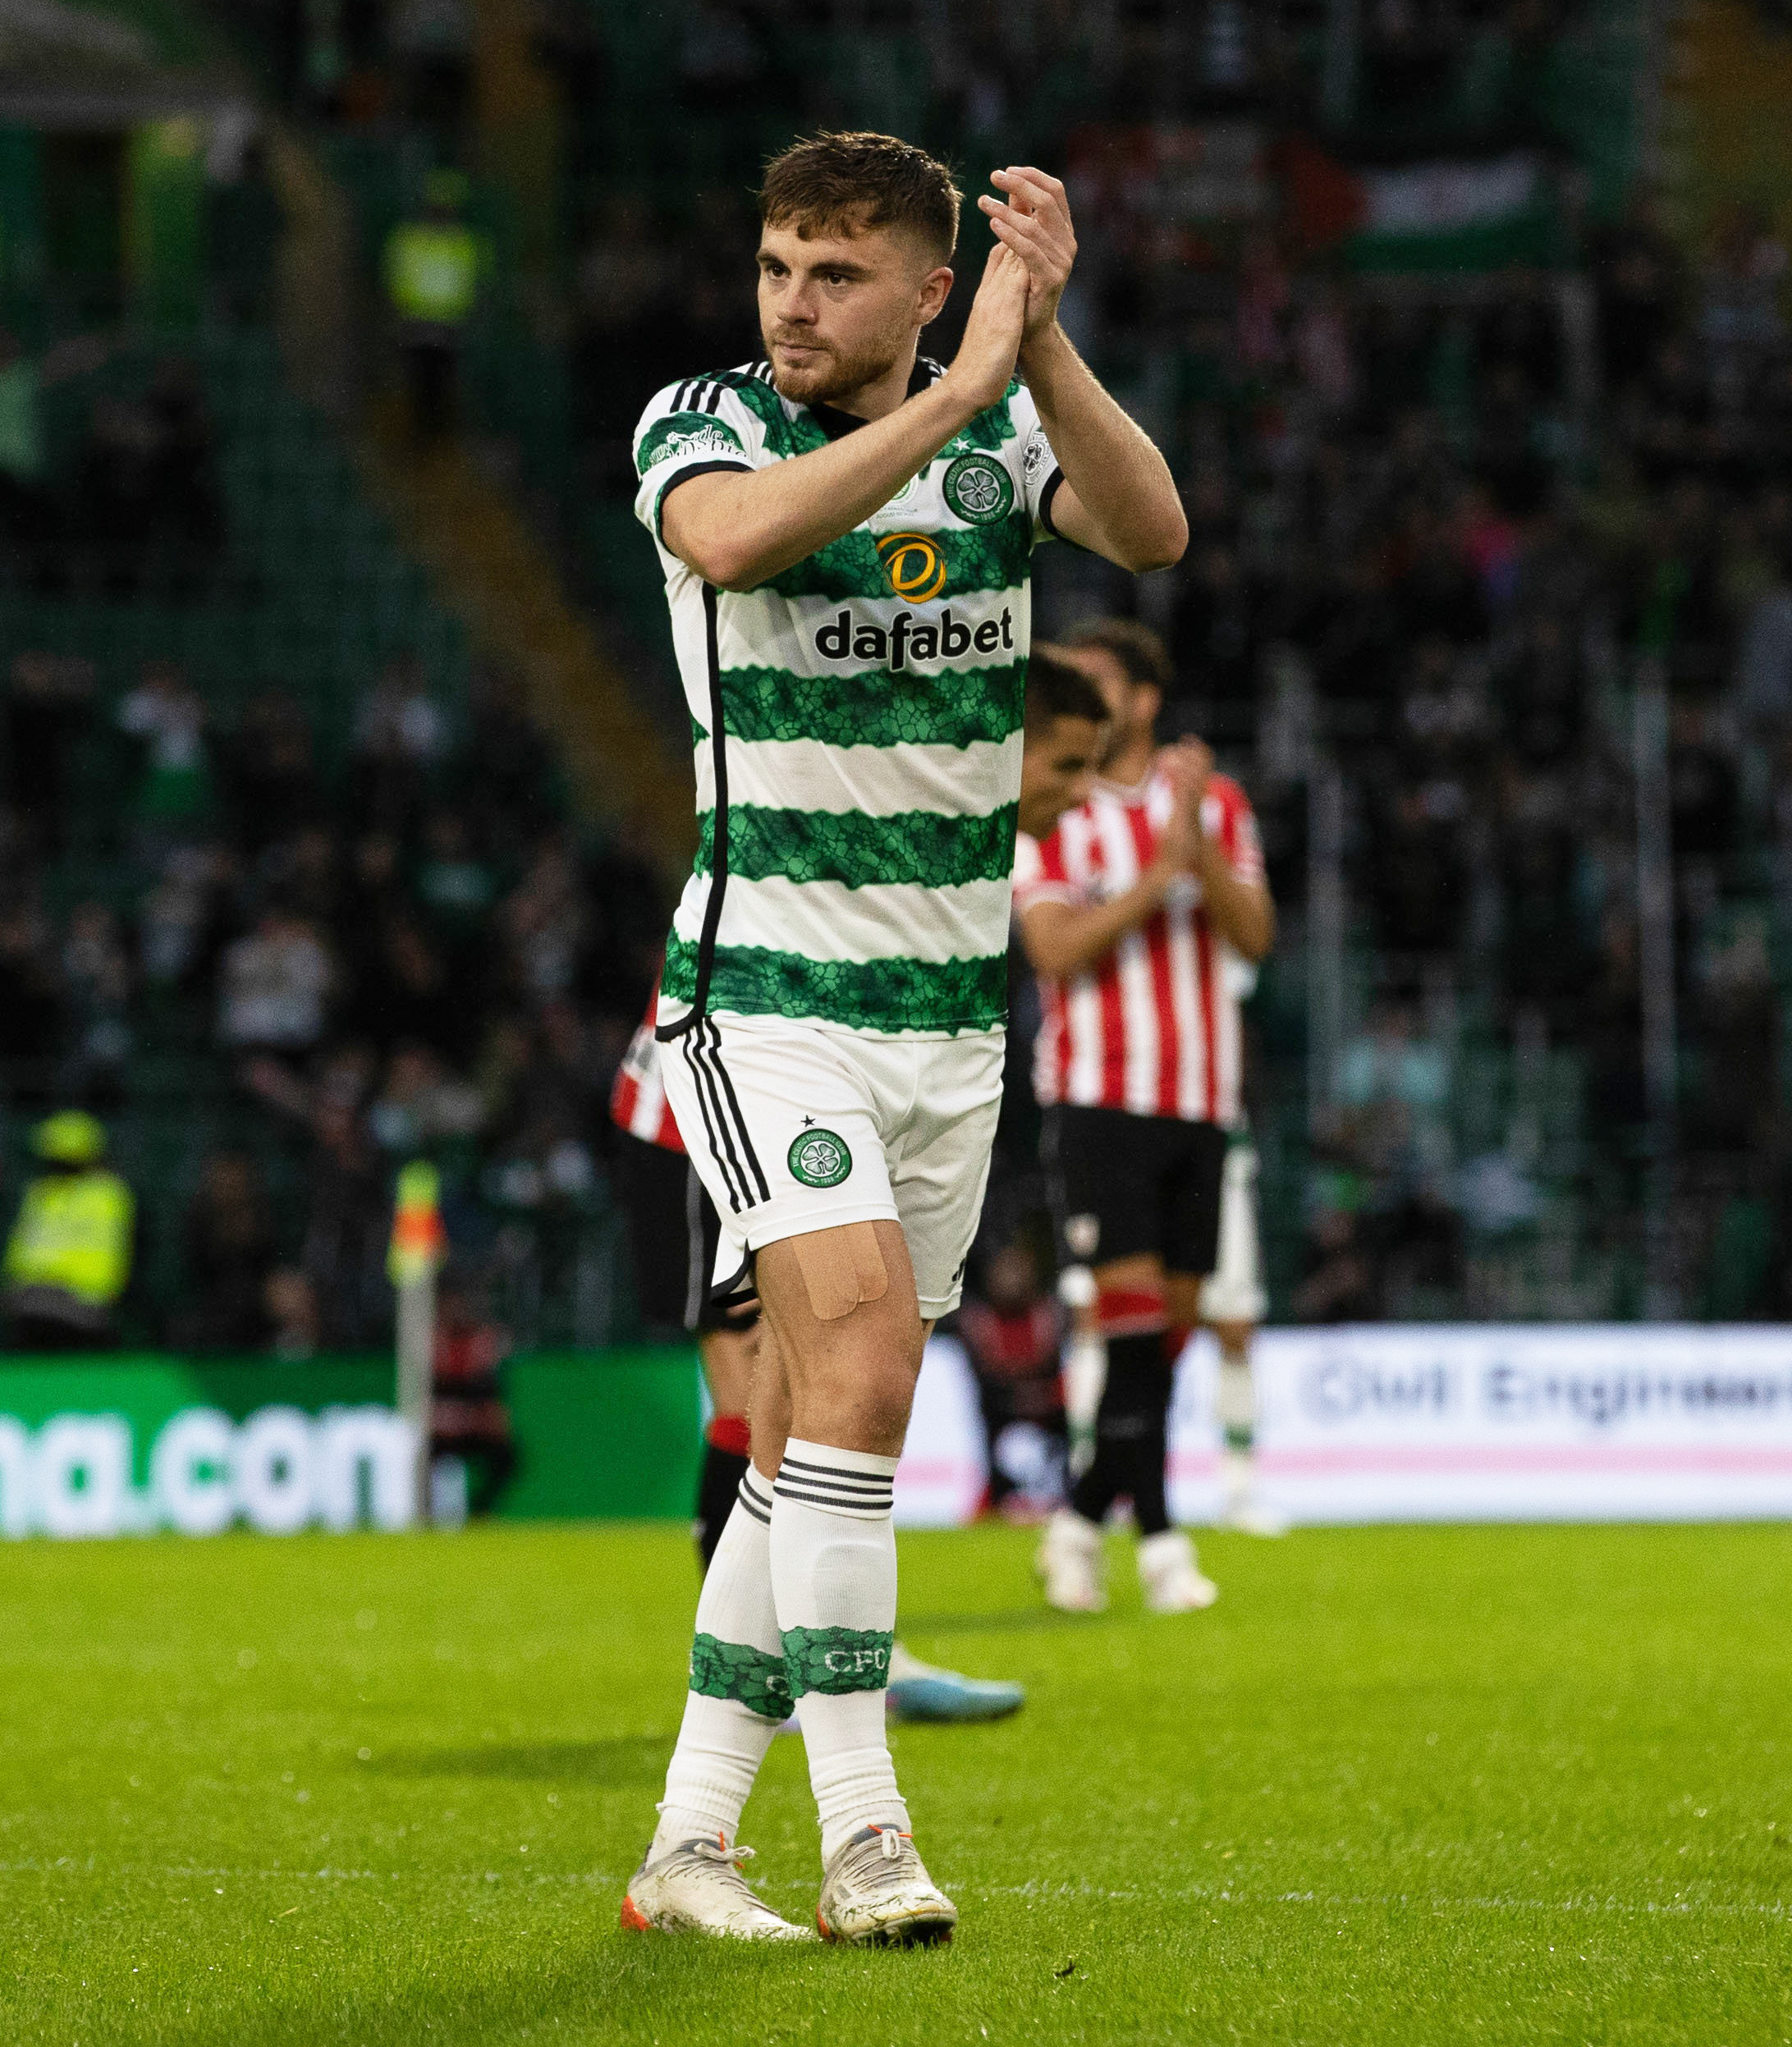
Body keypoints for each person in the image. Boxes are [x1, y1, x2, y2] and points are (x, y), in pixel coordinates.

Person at [620, 131, 1185, 1947]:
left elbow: (1152, 531)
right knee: (859, 1369)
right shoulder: (700, 424)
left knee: (805, 1437)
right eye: (778, 262)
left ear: (927, 284)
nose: (791, 300)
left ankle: (686, 1844)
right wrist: (952, 394)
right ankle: (865, 1833)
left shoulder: (995, 430)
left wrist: (1042, 355)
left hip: (944, 1020)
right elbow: (731, 541)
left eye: (835, 272)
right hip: (760, 989)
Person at [1014, 619, 1274, 1615]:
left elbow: (1252, 936)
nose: (1081, 691)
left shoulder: (1214, 804)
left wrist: (1193, 848)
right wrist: (1157, 876)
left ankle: (1079, 1521)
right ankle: (1160, 1541)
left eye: (1098, 679)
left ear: (1144, 698)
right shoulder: (1049, 804)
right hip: (1098, 1099)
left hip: (1200, 1101)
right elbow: (1054, 950)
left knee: (1156, 1346)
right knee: (1127, 1340)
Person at [1197, 1136, 1286, 1536]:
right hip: (1149, 1152)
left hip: (1220, 1166)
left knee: (1236, 1337)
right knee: (1112, 1326)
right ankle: (1097, 1491)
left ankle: (1238, 1494)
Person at [2, 1111, 135, 1350]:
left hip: (84, 1304)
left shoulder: (108, 1194)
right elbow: (19, 1258)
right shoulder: (41, 1192)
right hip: (32, 1300)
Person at [383, 171, 483, 444]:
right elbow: (395, 285)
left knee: (442, 388)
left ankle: (439, 442)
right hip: (416, 327)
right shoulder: (407, 239)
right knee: (419, 388)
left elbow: (471, 288)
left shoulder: (465, 243)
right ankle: (421, 440)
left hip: (448, 328)